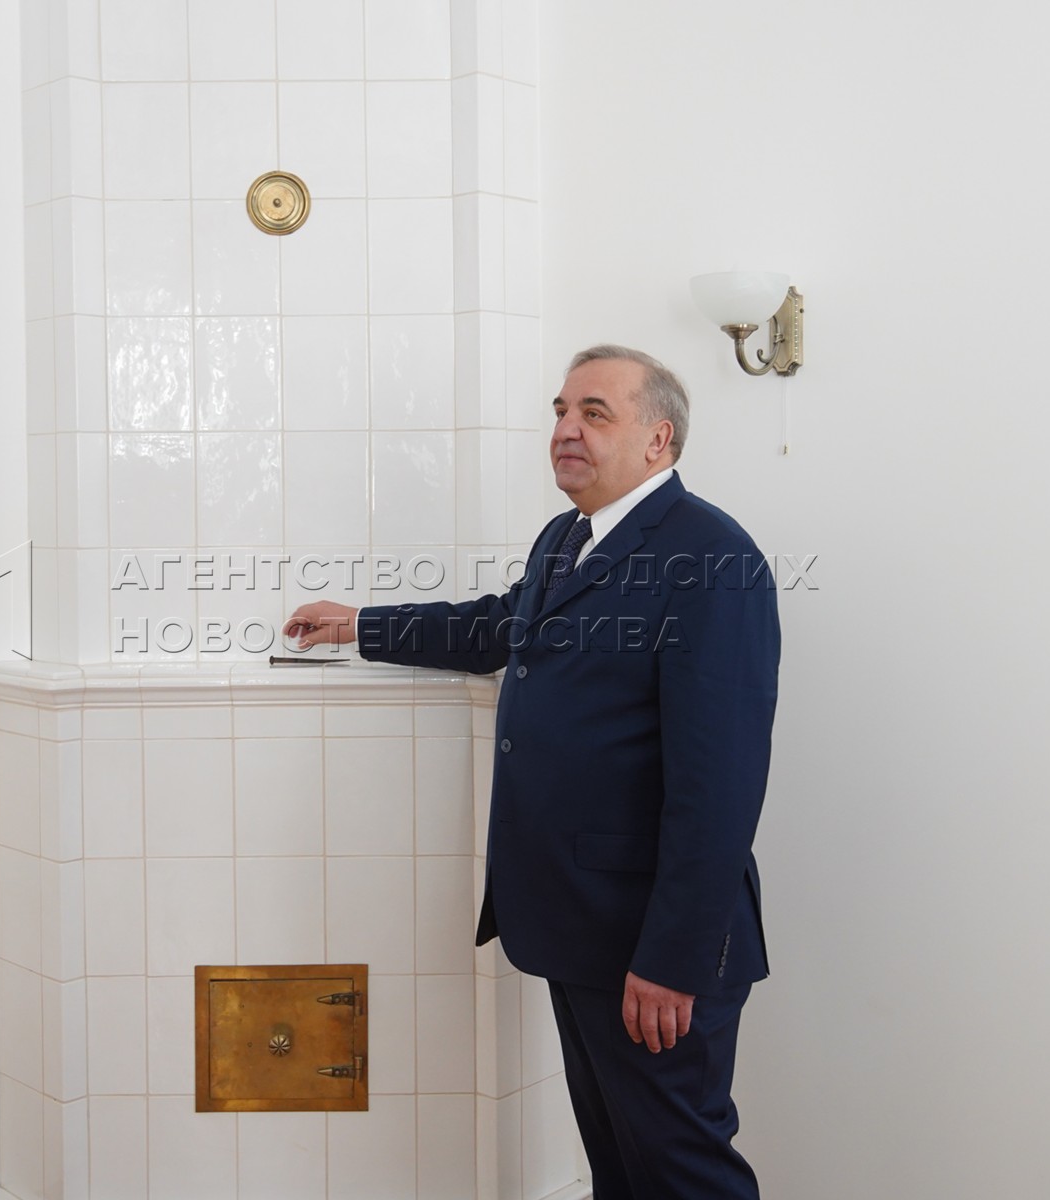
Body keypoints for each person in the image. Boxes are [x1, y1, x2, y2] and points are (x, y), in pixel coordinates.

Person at [284, 345, 780, 1199]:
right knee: (620, 1169)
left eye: (595, 412)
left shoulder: (713, 562)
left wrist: (674, 958)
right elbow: (497, 626)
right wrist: (362, 624)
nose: (565, 429)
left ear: (658, 439)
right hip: (578, 925)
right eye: (560, 410)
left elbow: (720, 789)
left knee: (683, 1173)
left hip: (650, 946)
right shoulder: (568, 537)